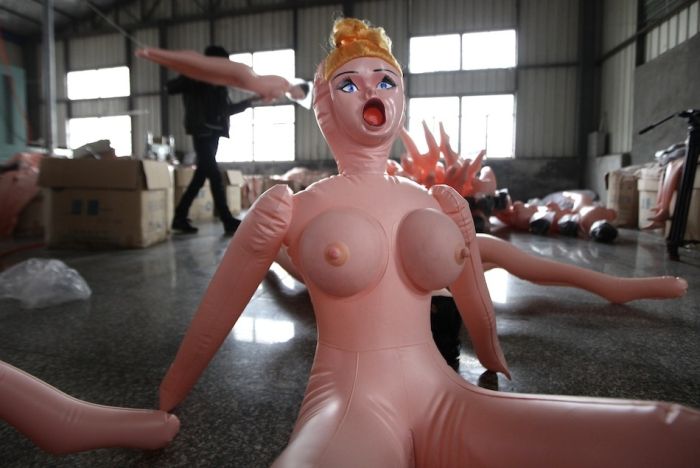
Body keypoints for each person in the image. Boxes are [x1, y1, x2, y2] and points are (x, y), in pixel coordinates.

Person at [141, 18, 698, 468]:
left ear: (402, 98)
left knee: (666, 433)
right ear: (324, 105)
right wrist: (171, 394)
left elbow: (473, 292)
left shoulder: (436, 202)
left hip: (444, 396)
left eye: (385, 81)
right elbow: (220, 308)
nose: (371, 91)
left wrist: (491, 351)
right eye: (349, 83)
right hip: (349, 406)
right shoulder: (294, 207)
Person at [168, 45, 257, 235]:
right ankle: (227, 220)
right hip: (201, 131)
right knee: (214, 175)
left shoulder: (220, 83)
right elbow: (171, 87)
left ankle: (179, 217)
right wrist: (197, 74)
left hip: (215, 133)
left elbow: (227, 110)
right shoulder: (196, 74)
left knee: (201, 176)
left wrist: (250, 102)